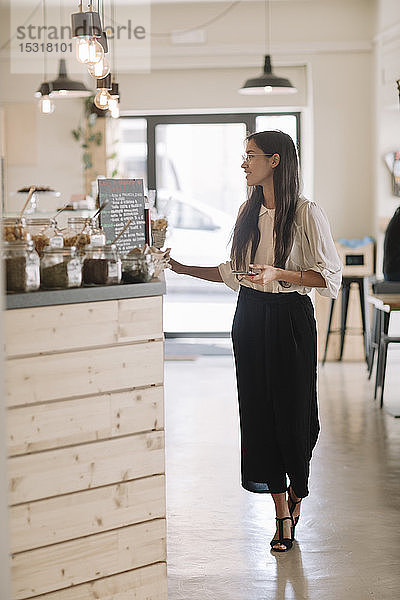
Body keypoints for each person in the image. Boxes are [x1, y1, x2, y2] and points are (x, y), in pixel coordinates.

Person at [169, 130, 342, 552]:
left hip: (290, 319)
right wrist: (179, 267)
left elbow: (329, 277)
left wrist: (280, 274)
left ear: (276, 161)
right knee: (258, 413)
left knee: (296, 413)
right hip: (249, 317)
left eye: (251, 156)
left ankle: (297, 489)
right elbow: (235, 272)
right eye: (244, 156)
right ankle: (281, 511)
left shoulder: (305, 212)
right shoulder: (248, 211)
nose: (244, 164)